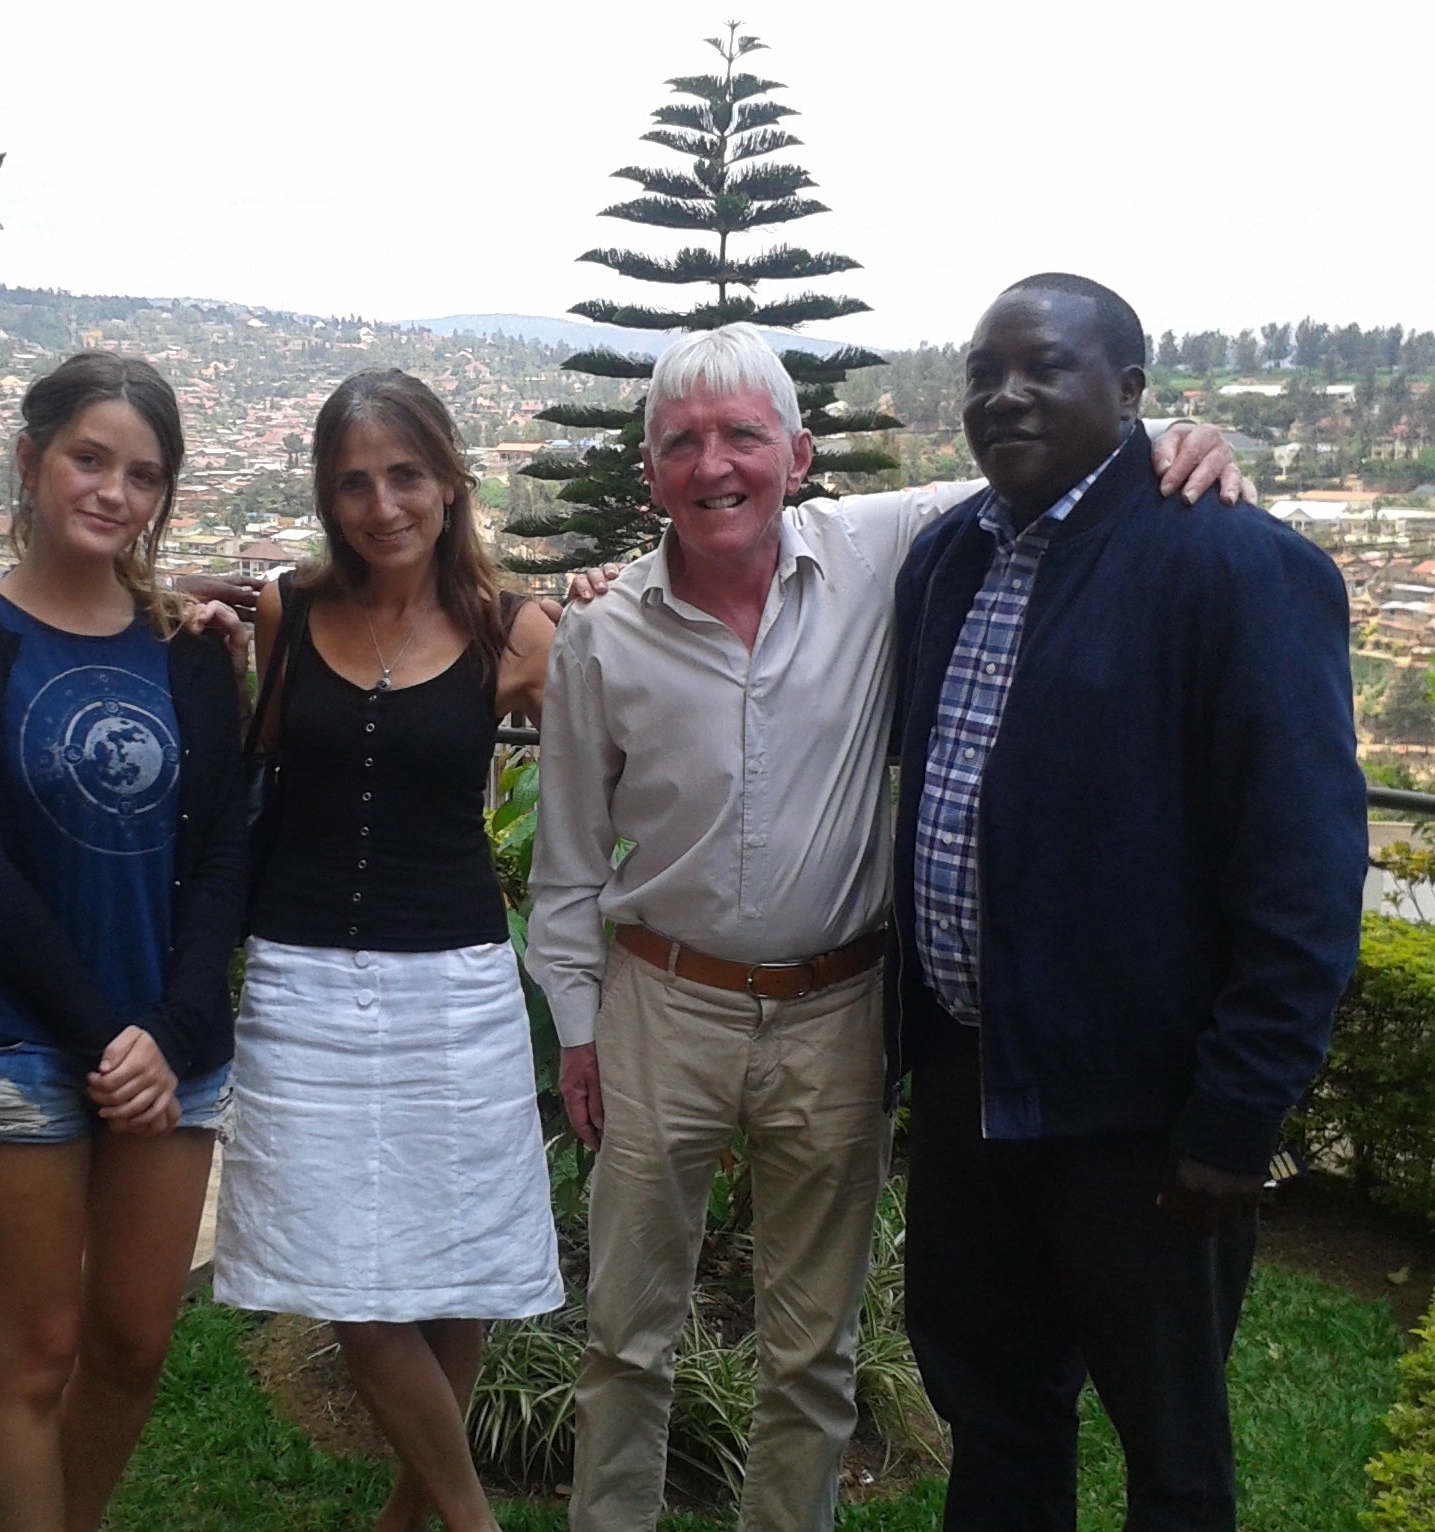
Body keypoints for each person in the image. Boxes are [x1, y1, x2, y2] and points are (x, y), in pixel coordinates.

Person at [527, 321, 1245, 1532]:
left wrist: (1173, 435)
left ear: (800, 452)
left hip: (834, 1011)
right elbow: (565, 864)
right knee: (626, 1333)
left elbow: (1051, 461)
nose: (714, 466)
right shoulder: (602, 634)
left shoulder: (880, 549)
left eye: (743, 436)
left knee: (813, 1347)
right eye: (681, 443)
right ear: (646, 470)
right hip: (664, 1004)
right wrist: (581, 1028)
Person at [889, 274, 1366, 1532]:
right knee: (994, 1417)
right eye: (983, 372)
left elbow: (1304, 868)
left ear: (1134, 394)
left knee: (1171, 1453)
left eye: (1042, 367)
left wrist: (1235, 1113)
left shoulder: (1234, 568)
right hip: (968, 1095)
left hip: (1142, 1121)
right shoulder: (944, 558)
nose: (1004, 395)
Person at [213, 368, 565, 1532]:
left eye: (405, 474)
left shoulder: (515, 632)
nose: (381, 504)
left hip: (454, 985)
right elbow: (264, 774)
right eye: (353, 481)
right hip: (304, 983)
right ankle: (473, 1522)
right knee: (356, 1284)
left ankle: (409, 1521)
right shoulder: (284, 610)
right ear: (326, 494)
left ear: (451, 480)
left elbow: (627, 754)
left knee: (448, 1264)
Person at [0, 351, 246, 1532]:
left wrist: (165, 1031)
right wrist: (101, 1032)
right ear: (30, 459)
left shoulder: (188, 647)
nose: (114, 491)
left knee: (130, 1340)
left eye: (144, 473)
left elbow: (223, 852)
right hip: (23, 1042)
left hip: (172, 1049)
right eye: (89, 457)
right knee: (32, 1354)